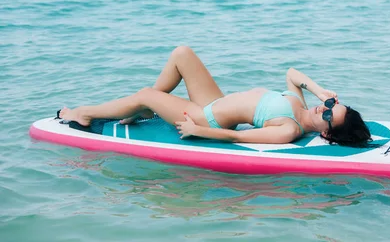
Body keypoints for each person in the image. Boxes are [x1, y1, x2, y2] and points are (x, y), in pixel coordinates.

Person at [59, 46, 372, 147]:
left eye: (329, 113)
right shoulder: (301, 104)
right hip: (214, 101)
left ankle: (84, 114)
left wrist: (199, 131)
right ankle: (144, 109)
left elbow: (237, 139)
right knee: (182, 53)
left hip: (204, 116)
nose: (324, 108)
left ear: (327, 131)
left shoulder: (289, 129)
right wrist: (319, 90)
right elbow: (292, 73)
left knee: (147, 93)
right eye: (331, 104)